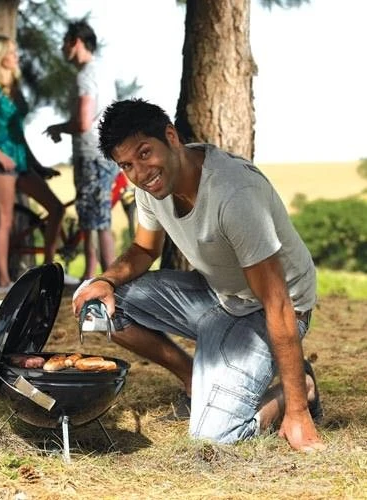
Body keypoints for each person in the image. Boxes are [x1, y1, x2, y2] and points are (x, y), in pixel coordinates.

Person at [73, 98, 326, 452]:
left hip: (275, 309)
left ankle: (300, 388)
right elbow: (144, 249)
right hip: (219, 295)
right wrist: (105, 281)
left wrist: (297, 411)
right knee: (100, 304)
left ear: (171, 137)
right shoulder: (150, 187)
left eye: (145, 154)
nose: (140, 173)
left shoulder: (234, 193)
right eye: (127, 165)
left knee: (214, 439)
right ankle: (194, 380)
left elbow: (277, 301)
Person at [0, 35, 72, 293]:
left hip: (21, 161)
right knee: (5, 220)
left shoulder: (15, 88)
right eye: (11, 52)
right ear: (0, 57)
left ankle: (48, 272)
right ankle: (2, 282)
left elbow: (19, 134)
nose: (16, 56)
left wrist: (37, 165)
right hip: (0, 162)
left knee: (56, 209)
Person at [45, 20, 119, 280]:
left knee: (96, 221)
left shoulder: (85, 76)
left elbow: (83, 123)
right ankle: (92, 278)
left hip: (91, 155)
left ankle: (109, 280)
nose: (61, 48)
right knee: (95, 219)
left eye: (64, 42)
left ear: (76, 42)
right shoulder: (102, 71)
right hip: (105, 153)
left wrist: (58, 128)